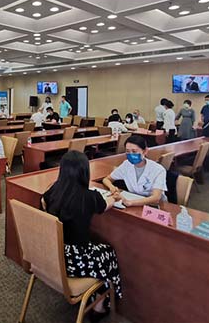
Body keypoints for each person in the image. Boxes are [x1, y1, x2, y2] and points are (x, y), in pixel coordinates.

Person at [43, 151, 122, 320]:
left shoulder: (53, 190)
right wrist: (115, 197)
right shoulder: (88, 197)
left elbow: (43, 201)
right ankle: (100, 306)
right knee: (108, 253)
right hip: (75, 260)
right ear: (85, 172)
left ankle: (94, 297)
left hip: (53, 255)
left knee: (99, 250)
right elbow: (107, 203)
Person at [103, 135, 167, 206]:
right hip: (134, 200)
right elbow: (106, 179)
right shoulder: (126, 165)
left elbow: (156, 198)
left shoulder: (158, 169)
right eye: (127, 151)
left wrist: (130, 202)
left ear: (145, 151)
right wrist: (112, 187)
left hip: (154, 205)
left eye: (134, 151)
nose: (131, 154)